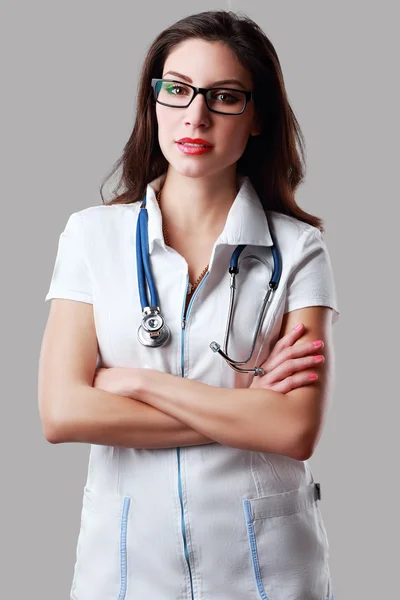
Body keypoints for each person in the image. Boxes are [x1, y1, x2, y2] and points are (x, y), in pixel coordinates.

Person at [38, 10, 339, 600]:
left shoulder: (299, 250)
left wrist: (133, 382)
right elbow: (63, 413)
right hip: (125, 568)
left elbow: (296, 430)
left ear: (257, 118)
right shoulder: (91, 236)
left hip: (265, 571)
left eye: (225, 97)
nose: (195, 115)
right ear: (153, 104)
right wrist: (245, 412)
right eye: (176, 90)